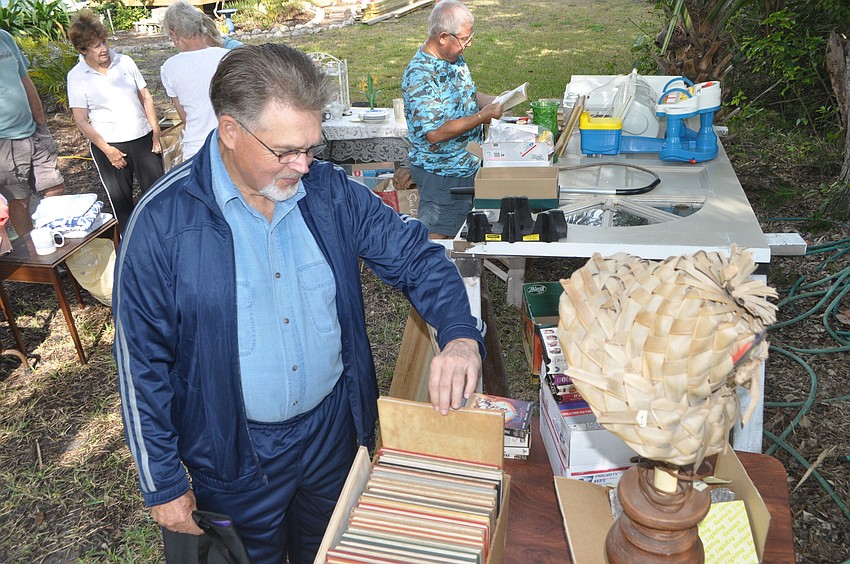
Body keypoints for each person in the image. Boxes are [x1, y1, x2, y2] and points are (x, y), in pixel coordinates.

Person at [113, 43, 484, 564]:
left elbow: (417, 257)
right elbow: (140, 362)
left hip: (332, 435)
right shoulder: (162, 222)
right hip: (232, 455)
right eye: (286, 151)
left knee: (329, 552)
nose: (304, 166)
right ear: (230, 130)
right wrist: (164, 484)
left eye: (312, 147)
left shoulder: (332, 194)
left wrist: (460, 336)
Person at [402, 0, 503, 240]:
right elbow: (435, 132)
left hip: (466, 166)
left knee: (464, 234)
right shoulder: (420, 76)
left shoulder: (452, 58)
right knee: (441, 239)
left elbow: (467, 96)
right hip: (442, 174)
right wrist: (482, 116)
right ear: (443, 37)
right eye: (465, 39)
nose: (469, 44)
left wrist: (498, 101)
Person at [67, 11, 164, 233]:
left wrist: (156, 133)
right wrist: (108, 150)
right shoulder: (76, 76)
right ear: (82, 49)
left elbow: (146, 97)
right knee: (123, 205)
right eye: (95, 46)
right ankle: (132, 244)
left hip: (143, 138)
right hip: (110, 145)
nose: (103, 49)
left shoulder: (125, 62)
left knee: (159, 196)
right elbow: (81, 120)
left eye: (104, 42)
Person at [0, 28, 65, 236]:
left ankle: (57, 241)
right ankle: (34, 250)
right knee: (20, 201)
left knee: (55, 187)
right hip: (4, 141)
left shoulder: (4, 37)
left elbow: (25, 80)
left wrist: (41, 124)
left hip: (33, 131)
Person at [161, 1, 229, 160]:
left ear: (173, 33)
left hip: (196, 146)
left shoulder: (169, 67)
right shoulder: (227, 56)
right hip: (231, 142)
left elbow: (184, 116)